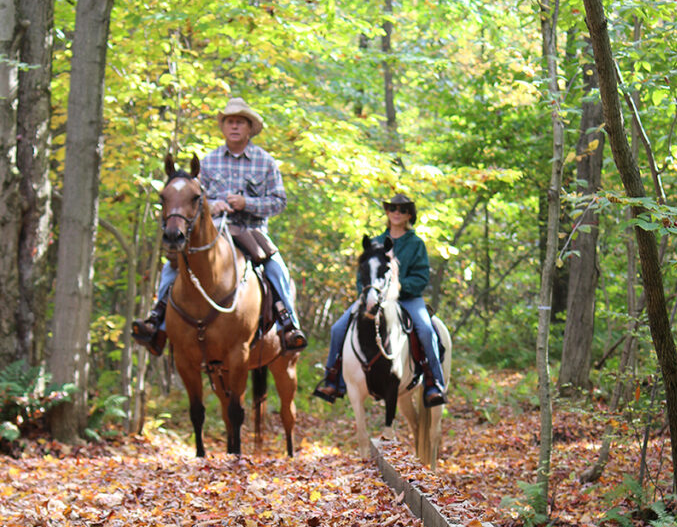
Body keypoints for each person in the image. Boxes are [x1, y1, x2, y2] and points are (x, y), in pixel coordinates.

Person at [132, 96, 306, 356]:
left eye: (239, 122)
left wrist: (246, 202)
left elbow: (279, 202)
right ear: (223, 127)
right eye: (229, 122)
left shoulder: (265, 161)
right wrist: (212, 204)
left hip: (251, 231)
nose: (234, 126)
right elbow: (193, 198)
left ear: (249, 128)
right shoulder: (208, 161)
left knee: (275, 266)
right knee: (174, 265)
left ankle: (288, 324)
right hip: (211, 232)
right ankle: (158, 321)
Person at [312, 192, 446, 407]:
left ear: (409, 215)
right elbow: (361, 276)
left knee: (426, 330)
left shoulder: (416, 244)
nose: (396, 213)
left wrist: (397, 289)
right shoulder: (374, 242)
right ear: (386, 211)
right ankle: (333, 379)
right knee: (338, 328)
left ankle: (433, 383)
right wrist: (366, 293)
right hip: (373, 298)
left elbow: (421, 277)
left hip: (407, 299)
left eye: (402, 210)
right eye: (392, 208)